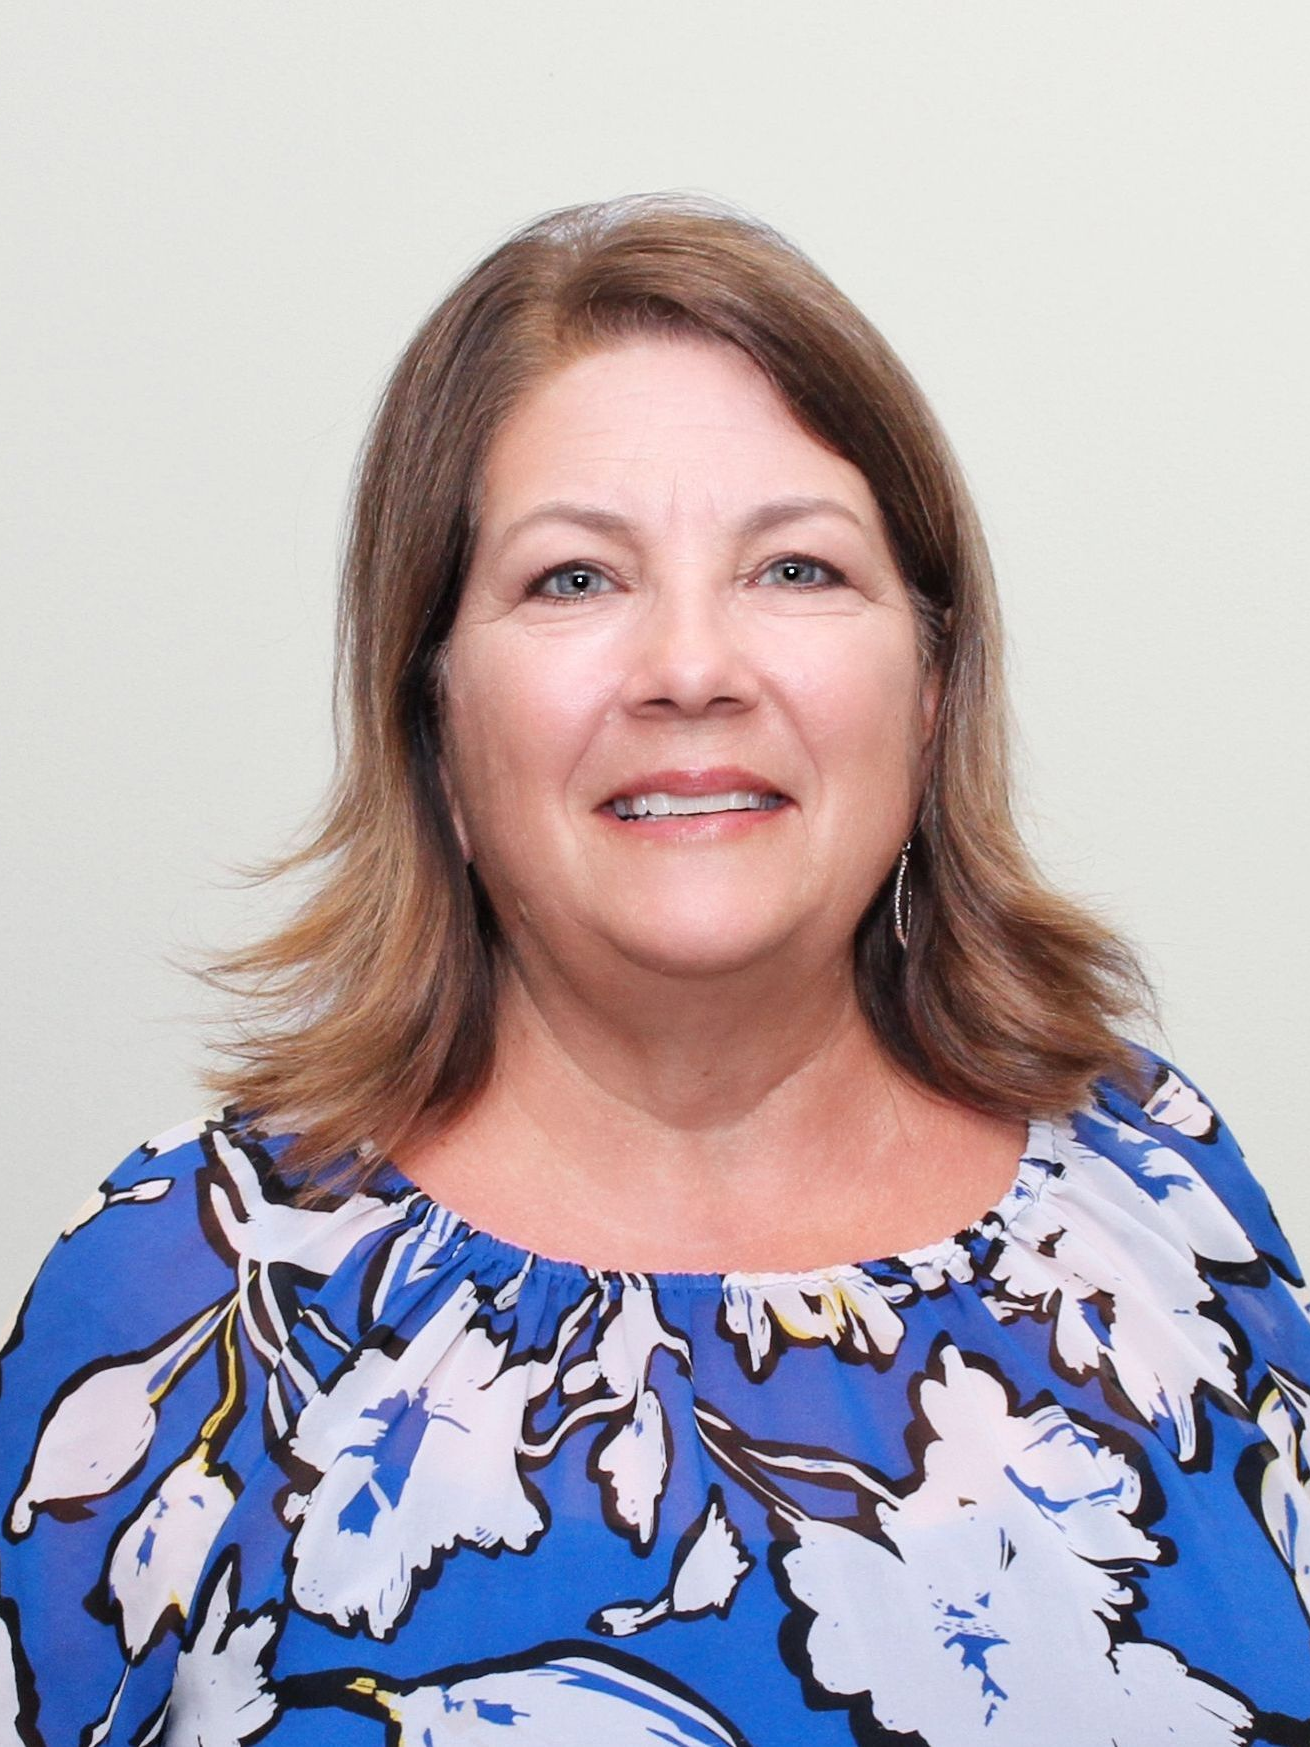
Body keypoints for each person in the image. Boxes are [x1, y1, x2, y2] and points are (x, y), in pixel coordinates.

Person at [1, 194, 1307, 1747]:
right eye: (573, 579)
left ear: (934, 686)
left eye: (797, 570)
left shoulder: (1156, 1198)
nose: (691, 668)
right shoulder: (182, 1306)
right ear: (430, 713)